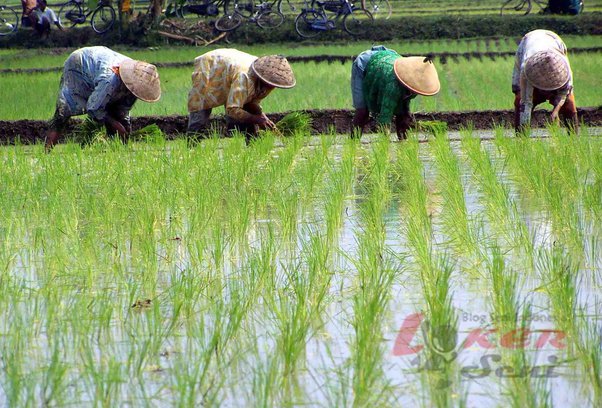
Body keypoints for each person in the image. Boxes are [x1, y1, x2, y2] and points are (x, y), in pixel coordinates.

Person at [45, 46, 161, 150]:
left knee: (115, 113)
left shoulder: (134, 87)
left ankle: (117, 150)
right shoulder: (109, 79)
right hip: (79, 65)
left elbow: (123, 111)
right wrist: (114, 124)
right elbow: (93, 107)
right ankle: (46, 153)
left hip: (100, 66)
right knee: (62, 113)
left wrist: (125, 129)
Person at [187, 49, 296, 136]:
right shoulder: (244, 77)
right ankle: (191, 149)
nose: (272, 88)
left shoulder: (266, 82)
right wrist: (256, 119)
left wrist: (262, 117)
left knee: (247, 117)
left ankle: (252, 147)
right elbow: (232, 109)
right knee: (200, 113)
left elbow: (252, 103)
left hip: (231, 70)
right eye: (271, 84)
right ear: (263, 79)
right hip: (211, 67)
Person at [351, 45, 441, 140]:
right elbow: (385, 115)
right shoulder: (392, 85)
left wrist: (406, 117)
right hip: (365, 63)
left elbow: (404, 105)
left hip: (390, 57)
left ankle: (403, 142)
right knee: (362, 112)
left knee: (403, 115)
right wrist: (385, 141)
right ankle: (353, 142)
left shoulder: (415, 83)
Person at [512, 29, 578, 133]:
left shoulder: (564, 69)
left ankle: (574, 138)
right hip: (528, 42)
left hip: (554, 40)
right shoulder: (527, 69)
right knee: (519, 99)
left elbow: (564, 94)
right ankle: (521, 139)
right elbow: (526, 103)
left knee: (569, 102)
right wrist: (524, 127)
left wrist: (556, 111)